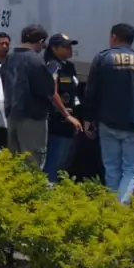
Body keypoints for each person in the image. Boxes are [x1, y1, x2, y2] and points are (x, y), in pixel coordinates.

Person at [84, 23, 134, 204]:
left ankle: (113, 209)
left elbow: (91, 92)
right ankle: (121, 208)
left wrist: (88, 118)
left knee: (111, 168)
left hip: (108, 123)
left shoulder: (103, 58)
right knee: (131, 171)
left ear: (113, 37)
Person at [2, 24, 53, 169]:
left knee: (14, 160)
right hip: (32, 118)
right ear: (41, 41)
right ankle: (28, 191)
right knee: (33, 161)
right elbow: (46, 89)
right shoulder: (35, 61)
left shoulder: (10, 58)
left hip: (12, 114)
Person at [43, 33, 84, 183]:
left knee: (63, 164)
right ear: (54, 48)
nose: (69, 49)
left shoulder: (68, 67)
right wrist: (66, 114)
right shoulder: (51, 65)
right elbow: (52, 92)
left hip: (69, 122)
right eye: (65, 46)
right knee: (54, 162)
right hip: (57, 121)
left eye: (70, 46)